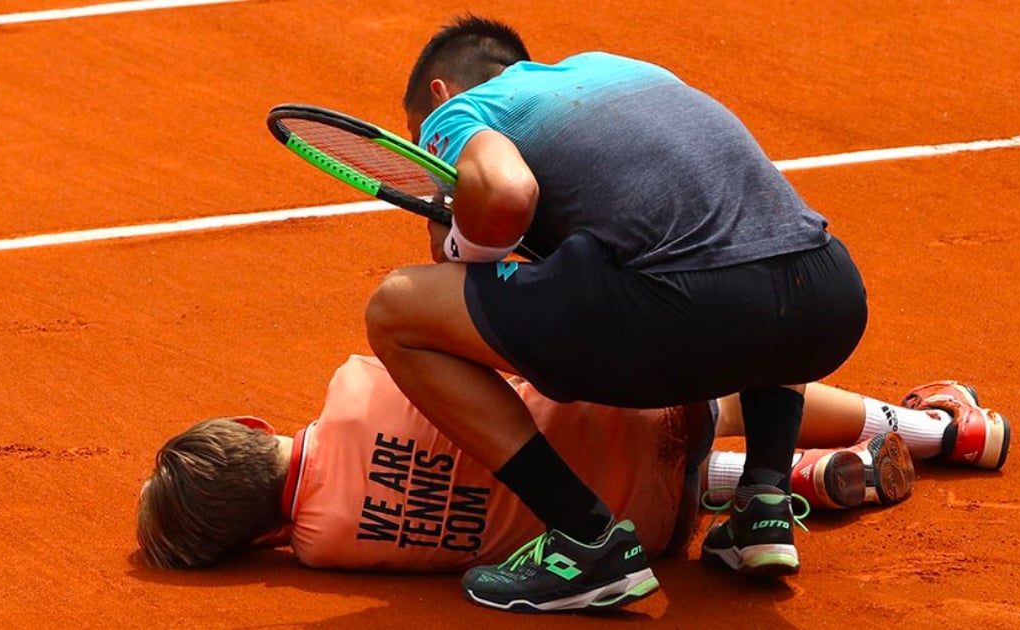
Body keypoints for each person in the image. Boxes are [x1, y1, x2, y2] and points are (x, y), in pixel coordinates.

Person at [363, 14, 868, 610]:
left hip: (685, 311)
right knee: (747, 247)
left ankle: (585, 539)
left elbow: (503, 194)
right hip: (827, 299)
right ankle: (764, 501)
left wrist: (454, 234)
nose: (433, 164)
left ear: (441, 93)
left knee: (396, 310)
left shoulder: (460, 111)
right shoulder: (620, 68)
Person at [136, 355, 1010, 577]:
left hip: (652, 533)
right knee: (738, 389)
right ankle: (945, 433)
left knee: (583, 481)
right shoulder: (354, 384)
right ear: (251, 422)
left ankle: (818, 478)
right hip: (655, 416)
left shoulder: (322, 548)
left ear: (260, 537)